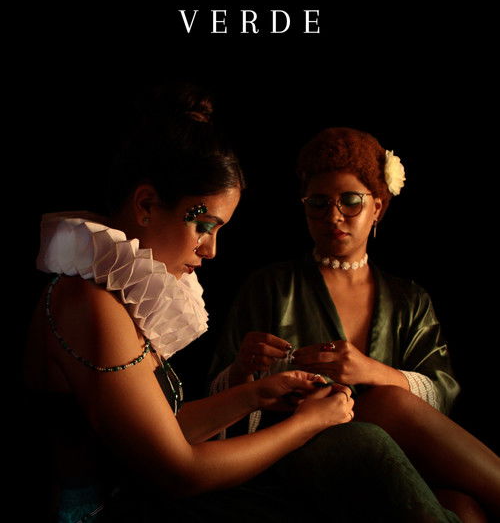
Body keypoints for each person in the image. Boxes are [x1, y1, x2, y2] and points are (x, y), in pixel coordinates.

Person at [24, 95, 460, 522]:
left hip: (153, 494)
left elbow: (164, 429)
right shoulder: (90, 303)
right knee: (361, 448)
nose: (210, 250)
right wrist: (308, 423)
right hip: (120, 510)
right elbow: (178, 472)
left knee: (449, 497)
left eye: (350, 201)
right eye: (203, 225)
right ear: (146, 204)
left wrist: (255, 394)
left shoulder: (109, 295)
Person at [210, 126, 500, 522]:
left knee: (465, 509)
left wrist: (371, 370)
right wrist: (244, 371)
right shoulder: (271, 287)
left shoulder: (409, 300)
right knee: (388, 403)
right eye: (318, 203)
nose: (333, 216)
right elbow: (216, 398)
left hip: (402, 455)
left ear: (377, 207)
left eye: (350, 201)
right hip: (296, 446)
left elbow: (442, 395)